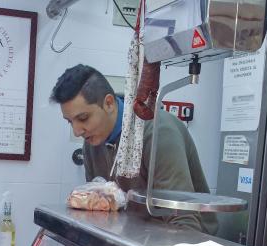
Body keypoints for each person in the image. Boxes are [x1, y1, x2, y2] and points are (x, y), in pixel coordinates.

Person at [50, 64, 218, 235]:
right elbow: (96, 211)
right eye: (70, 122)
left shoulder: (158, 133)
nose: (77, 131)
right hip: (134, 242)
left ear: (108, 103)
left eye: (83, 118)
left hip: (180, 245)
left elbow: (185, 223)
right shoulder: (92, 144)